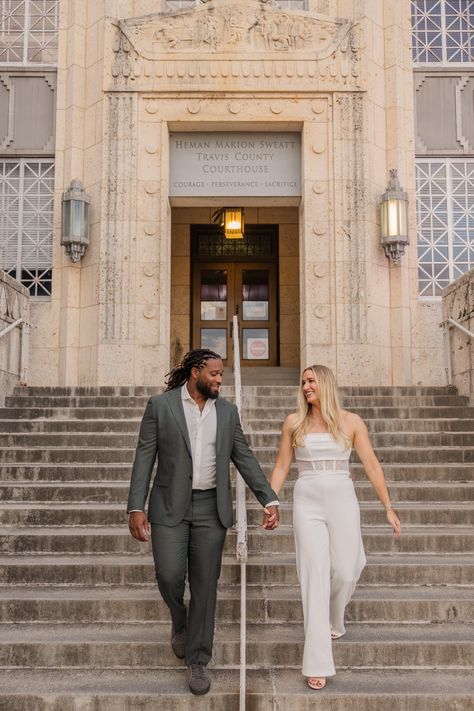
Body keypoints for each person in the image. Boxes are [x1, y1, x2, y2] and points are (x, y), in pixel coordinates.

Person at [127, 348, 279, 696]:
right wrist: (136, 506)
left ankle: (198, 660)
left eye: (222, 374)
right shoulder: (161, 406)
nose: (219, 380)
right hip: (168, 508)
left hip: (212, 508)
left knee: (206, 586)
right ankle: (179, 620)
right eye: (214, 374)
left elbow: (245, 457)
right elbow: (144, 456)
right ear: (196, 372)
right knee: (168, 575)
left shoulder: (227, 412)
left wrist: (268, 498)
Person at [265, 364, 401, 691]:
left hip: (342, 494)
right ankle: (317, 662)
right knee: (314, 574)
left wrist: (388, 507)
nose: (306, 386)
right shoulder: (293, 422)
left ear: (325, 383)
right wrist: (270, 501)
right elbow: (283, 464)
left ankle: (334, 619)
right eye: (303, 382)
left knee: (347, 570)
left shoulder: (351, 421)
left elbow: (370, 463)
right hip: (307, 496)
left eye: (311, 380)